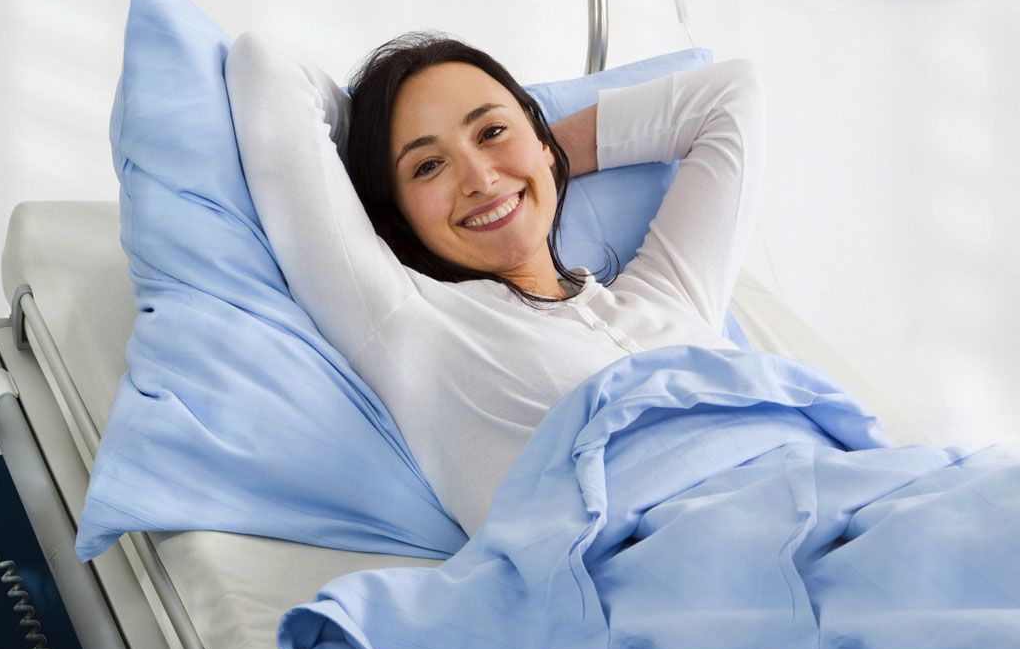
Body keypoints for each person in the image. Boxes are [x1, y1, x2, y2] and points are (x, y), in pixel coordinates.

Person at [226, 31, 764, 533]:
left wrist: (538, 165)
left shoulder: (670, 294)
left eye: (492, 132)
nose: (480, 179)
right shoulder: (409, 322)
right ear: (394, 211)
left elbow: (729, 95)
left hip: (816, 493)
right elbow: (266, 66)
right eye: (428, 166)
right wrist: (371, 159)